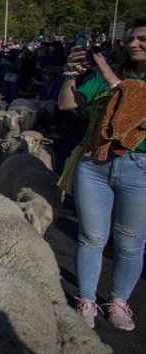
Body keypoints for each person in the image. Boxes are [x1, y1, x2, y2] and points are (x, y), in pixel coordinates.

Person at [58, 20, 146, 332]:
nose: (134, 44)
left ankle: (119, 300)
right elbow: (67, 104)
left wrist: (109, 75)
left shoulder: (112, 76)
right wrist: (70, 75)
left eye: (142, 39)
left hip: (139, 167)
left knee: (129, 241)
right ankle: (86, 299)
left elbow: (135, 105)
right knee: (92, 236)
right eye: (130, 39)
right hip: (95, 163)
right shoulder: (102, 76)